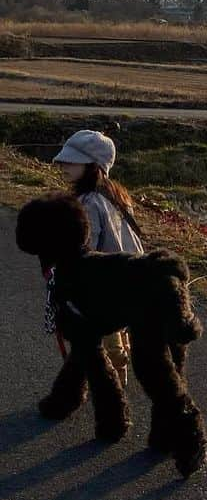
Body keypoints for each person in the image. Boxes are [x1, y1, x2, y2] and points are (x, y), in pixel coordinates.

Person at [52, 129, 144, 386]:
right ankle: (118, 367)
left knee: (101, 327)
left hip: (106, 278)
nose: (63, 165)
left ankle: (113, 377)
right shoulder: (115, 194)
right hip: (130, 272)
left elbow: (85, 247)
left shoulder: (89, 202)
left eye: (71, 161)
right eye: (64, 160)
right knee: (118, 324)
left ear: (93, 166)